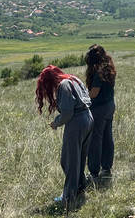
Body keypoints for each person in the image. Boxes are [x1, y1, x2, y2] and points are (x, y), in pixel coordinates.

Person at [35, 65, 93, 210]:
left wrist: (56, 123)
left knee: (69, 160)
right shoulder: (73, 78)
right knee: (80, 157)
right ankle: (80, 188)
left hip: (76, 122)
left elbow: (67, 113)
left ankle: (68, 196)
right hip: (88, 117)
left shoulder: (64, 85)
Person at [84, 44, 117, 184]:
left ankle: (94, 173)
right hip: (109, 106)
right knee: (107, 139)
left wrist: (84, 94)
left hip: (98, 109)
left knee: (95, 141)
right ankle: (106, 169)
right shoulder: (109, 68)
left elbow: (94, 93)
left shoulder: (98, 72)